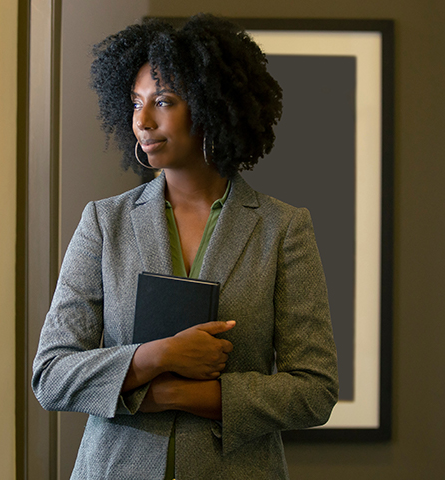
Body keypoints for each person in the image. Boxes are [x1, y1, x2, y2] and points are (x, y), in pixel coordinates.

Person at [32, 13, 338, 480]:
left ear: (213, 106)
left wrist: (177, 394)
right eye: (135, 104)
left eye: (164, 101)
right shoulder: (104, 222)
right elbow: (51, 375)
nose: (143, 121)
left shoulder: (283, 229)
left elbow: (314, 391)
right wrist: (159, 357)